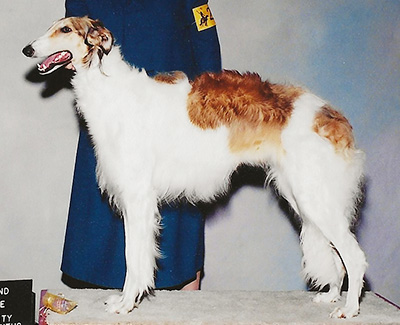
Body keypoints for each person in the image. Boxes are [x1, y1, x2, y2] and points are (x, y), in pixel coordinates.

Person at [61, 0, 221, 290]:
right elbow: (72, 36)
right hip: (108, 119)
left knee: (178, 236)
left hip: (171, 118)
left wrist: (209, 112)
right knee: (98, 235)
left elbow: (205, 41)